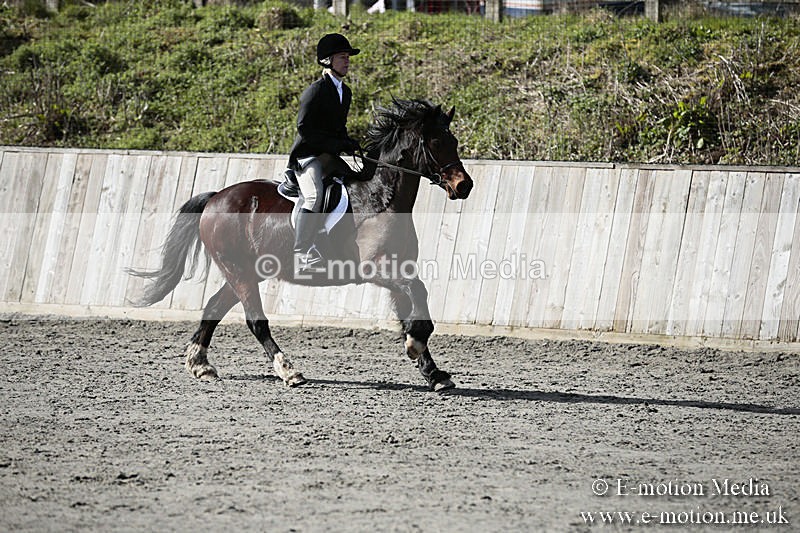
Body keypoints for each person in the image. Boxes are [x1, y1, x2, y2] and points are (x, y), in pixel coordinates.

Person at [287, 33, 361, 274]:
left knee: (355, 184)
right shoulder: (315, 91)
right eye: (342, 57)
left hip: (329, 156)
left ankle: (327, 235)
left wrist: (348, 142)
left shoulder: (345, 92)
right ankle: (302, 252)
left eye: (348, 57)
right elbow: (304, 128)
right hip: (308, 155)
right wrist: (333, 144)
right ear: (328, 61)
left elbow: (338, 128)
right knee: (313, 196)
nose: (347, 61)